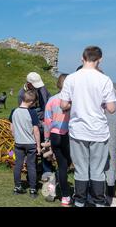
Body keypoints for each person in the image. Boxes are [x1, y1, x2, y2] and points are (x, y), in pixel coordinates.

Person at [60, 46, 116, 207]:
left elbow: (64, 104)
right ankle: (99, 202)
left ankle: (79, 202)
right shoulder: (104, 80)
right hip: (98, 131)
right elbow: (112, 108)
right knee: (98, 171)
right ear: (100, 59)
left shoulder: (71, 78)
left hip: (78, 130)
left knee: (81, 169)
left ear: (82, 58)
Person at [44, 74, 71, 206]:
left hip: (54, 135)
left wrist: (47, 138)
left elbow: (47, 120)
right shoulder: (72, 101)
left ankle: (54, 185)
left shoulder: (52, 100)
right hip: (68, 135)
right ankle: (65, 195)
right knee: (65, 166)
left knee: (62, 165)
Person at [18, 72, 52, 174]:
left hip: (44, 123)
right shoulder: (21, 94)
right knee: (32, 149)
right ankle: (32, 172)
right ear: (29, 84)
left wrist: (46, 121)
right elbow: (23, 111)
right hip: (31, 125)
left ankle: (47, 172)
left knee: (45, 147)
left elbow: (47, 105)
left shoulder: (42, 89)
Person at [9, 90, 41, 198]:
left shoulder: (14, 111)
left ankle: (17, 187)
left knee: (18, 165)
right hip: (30, 143)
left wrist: (16, 137)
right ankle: (32, 189)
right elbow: (36, 130)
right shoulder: (32, 112)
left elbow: (11, 127)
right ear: (31, 102)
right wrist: (38, 146)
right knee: (31, 166)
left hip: (18, 142)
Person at [105, 85, 116, 207]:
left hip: (107, 129)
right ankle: (110, 195)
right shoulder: (112, 89)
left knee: (110, 164)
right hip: (111, 130)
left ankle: (110, 194)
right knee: (111, 164)